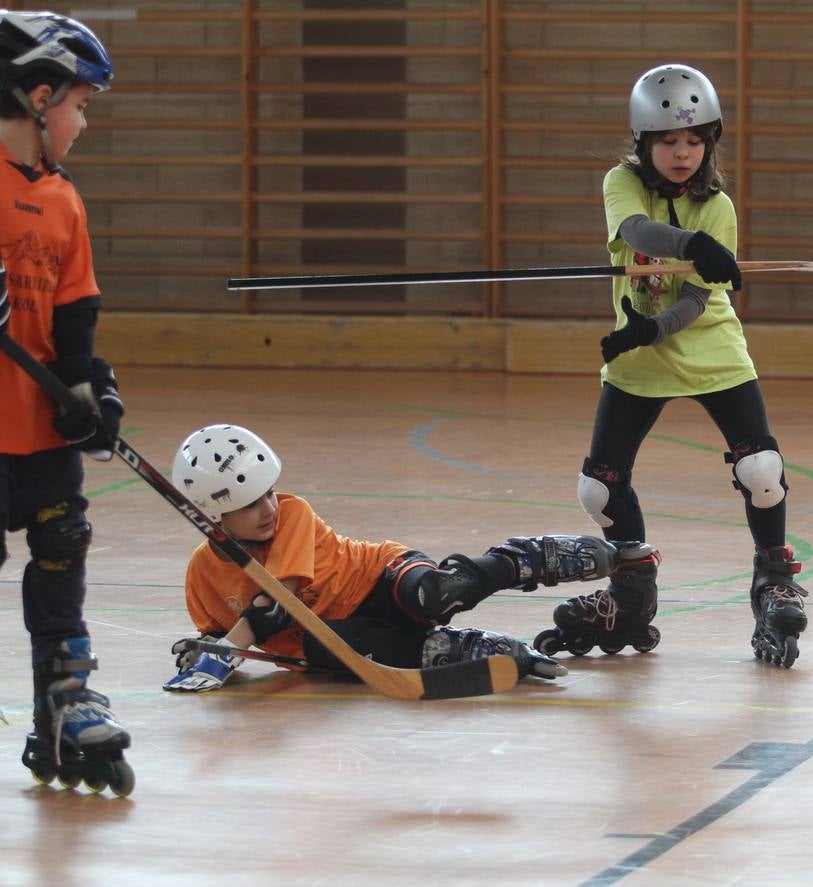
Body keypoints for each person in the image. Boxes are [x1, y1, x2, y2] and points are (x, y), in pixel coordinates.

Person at [533, 63, 807, 668]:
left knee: (761, 468)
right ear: (643, 143)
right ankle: (631, 587)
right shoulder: (620, 184)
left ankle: (773, 576)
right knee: (597, 489)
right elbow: (637, 230)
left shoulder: (719, 206)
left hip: (709, 348)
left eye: (694, 140)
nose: (682, 153)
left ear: (709, 142)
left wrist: (652, 325)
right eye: (667, 140)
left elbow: (694, 301)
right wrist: (689, 251)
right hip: (640, 357)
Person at [164, 424, 652, 692]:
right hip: (332, 638)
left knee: (434, 595)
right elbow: (228, 643)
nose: (268, 508)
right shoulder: (200, 576)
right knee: (351, 652)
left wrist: (225, 647)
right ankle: (465, 651)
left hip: (377, 575)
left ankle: (529, 558)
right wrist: (206, 653)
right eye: (249, 505)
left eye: (268, 493)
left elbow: (275, 604)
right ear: (212, 516)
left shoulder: (293, 513)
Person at [0, 11, 133, 795]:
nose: (83, 122)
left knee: (63, 549)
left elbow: (76, 313)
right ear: (39, 95)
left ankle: (65, 702)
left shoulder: (62, 199)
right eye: (81, 105)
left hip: (37, 429)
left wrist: (92, 392)